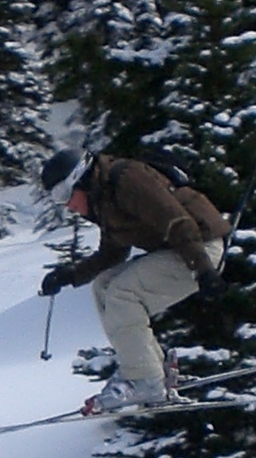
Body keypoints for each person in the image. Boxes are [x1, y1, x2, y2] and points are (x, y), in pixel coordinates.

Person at [36, 148, 229, 413]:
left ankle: (145, 379)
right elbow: (112, 253)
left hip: (198, 248)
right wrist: (69, 275)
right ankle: (149, 370)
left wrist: (203, 269)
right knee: (103, 286)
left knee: (123, 294)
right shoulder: (105, 197)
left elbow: (178, 222)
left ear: (80, 179)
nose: (66, 205)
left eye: (64, 194)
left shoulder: (127, 180)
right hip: (181, 250)